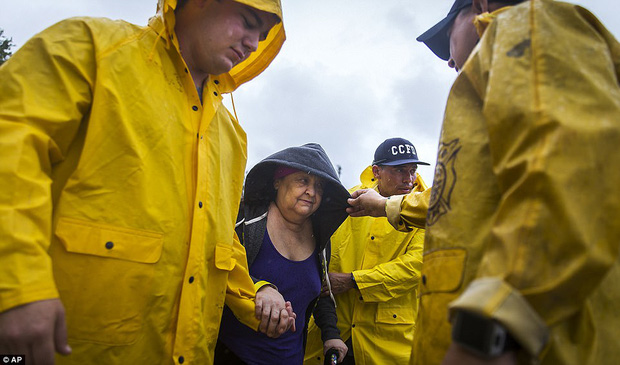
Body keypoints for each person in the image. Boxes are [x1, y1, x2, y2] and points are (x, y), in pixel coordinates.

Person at [0, 0, 293, 364]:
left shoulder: (232, 135)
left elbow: (219, 241)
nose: (253, 43)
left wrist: (257, 299)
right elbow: (10, 159)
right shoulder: (90, 48)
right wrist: (19, 287)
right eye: (248, 22)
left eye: (263, 36)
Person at [409, 0, 620, 364]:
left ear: (480, 7)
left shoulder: (527, 24)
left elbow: (562, 172)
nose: (447, 60)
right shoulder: (501, 79)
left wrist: (491, 329)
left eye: (447, 41)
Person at [215, 143, 350, 365]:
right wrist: (260, 286)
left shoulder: (321, 240)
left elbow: (321, 293)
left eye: (319, 186)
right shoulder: (244, 221)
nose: (311, 191)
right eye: (303, 181)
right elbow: (217, 268)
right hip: (231, 354)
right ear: (278, 181)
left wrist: (331, 334)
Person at [304, 138, 429, 365]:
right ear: (376, 171)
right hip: (334, 332)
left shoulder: (424, 212)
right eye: (400, 170)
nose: (409, 179)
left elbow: (415, 268)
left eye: (412, 171)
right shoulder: (348, 199)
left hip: (387, 343)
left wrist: (354, 281)